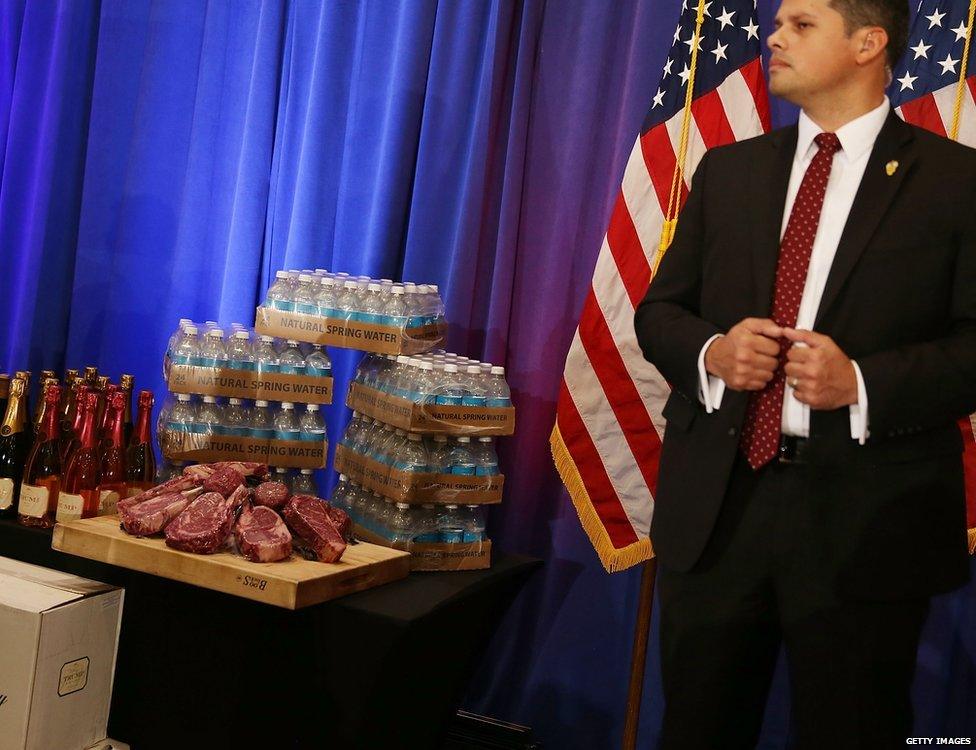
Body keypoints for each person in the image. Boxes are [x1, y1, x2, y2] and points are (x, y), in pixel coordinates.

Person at [634, 0, 976, 746]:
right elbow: (659, 313)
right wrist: (712, 354)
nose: (774, 36)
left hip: (865, 522)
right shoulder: (728, 170)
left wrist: (863, 384)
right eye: (777, 21)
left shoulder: (956, 181)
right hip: (720, 515)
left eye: (801, 23)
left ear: (868, 43)